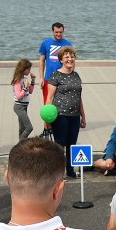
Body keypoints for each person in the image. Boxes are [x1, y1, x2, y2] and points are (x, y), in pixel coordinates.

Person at [46, 46, 85, 179]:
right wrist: (47, 120)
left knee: (72, 145)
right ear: (61, 60)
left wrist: (83, 116)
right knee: (60, 145)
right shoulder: (55, 75)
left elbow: (79, 97)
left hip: (75, 116)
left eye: (72, 56)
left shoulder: (76, 75)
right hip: (60, 116)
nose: (70, 59)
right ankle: (57, 172)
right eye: (67, 57)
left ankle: (70, 170)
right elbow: (49, 98)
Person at [37, 22, 72, 105]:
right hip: (48, 79)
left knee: (62, 104)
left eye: (60, 32)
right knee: (47, 103)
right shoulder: (45, 43)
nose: (58, 34)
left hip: (63, 79)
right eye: (56, 32)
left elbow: (71, 62)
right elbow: (41, 61)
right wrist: (41, 78)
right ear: (52, 31)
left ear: (63, 31)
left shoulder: (67, 44)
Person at [11, 59, 36, 141]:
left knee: (22, 128)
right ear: (23, 69)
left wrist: (32, 80)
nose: (29, 71)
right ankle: (21, 143)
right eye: (28, 69)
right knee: (29, 127)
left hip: (24, 106)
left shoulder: (25, 79)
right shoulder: (17, 81)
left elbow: (31, 91)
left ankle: (20, 146)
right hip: (19, 106)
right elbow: (18, 96)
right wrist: (25, 87)